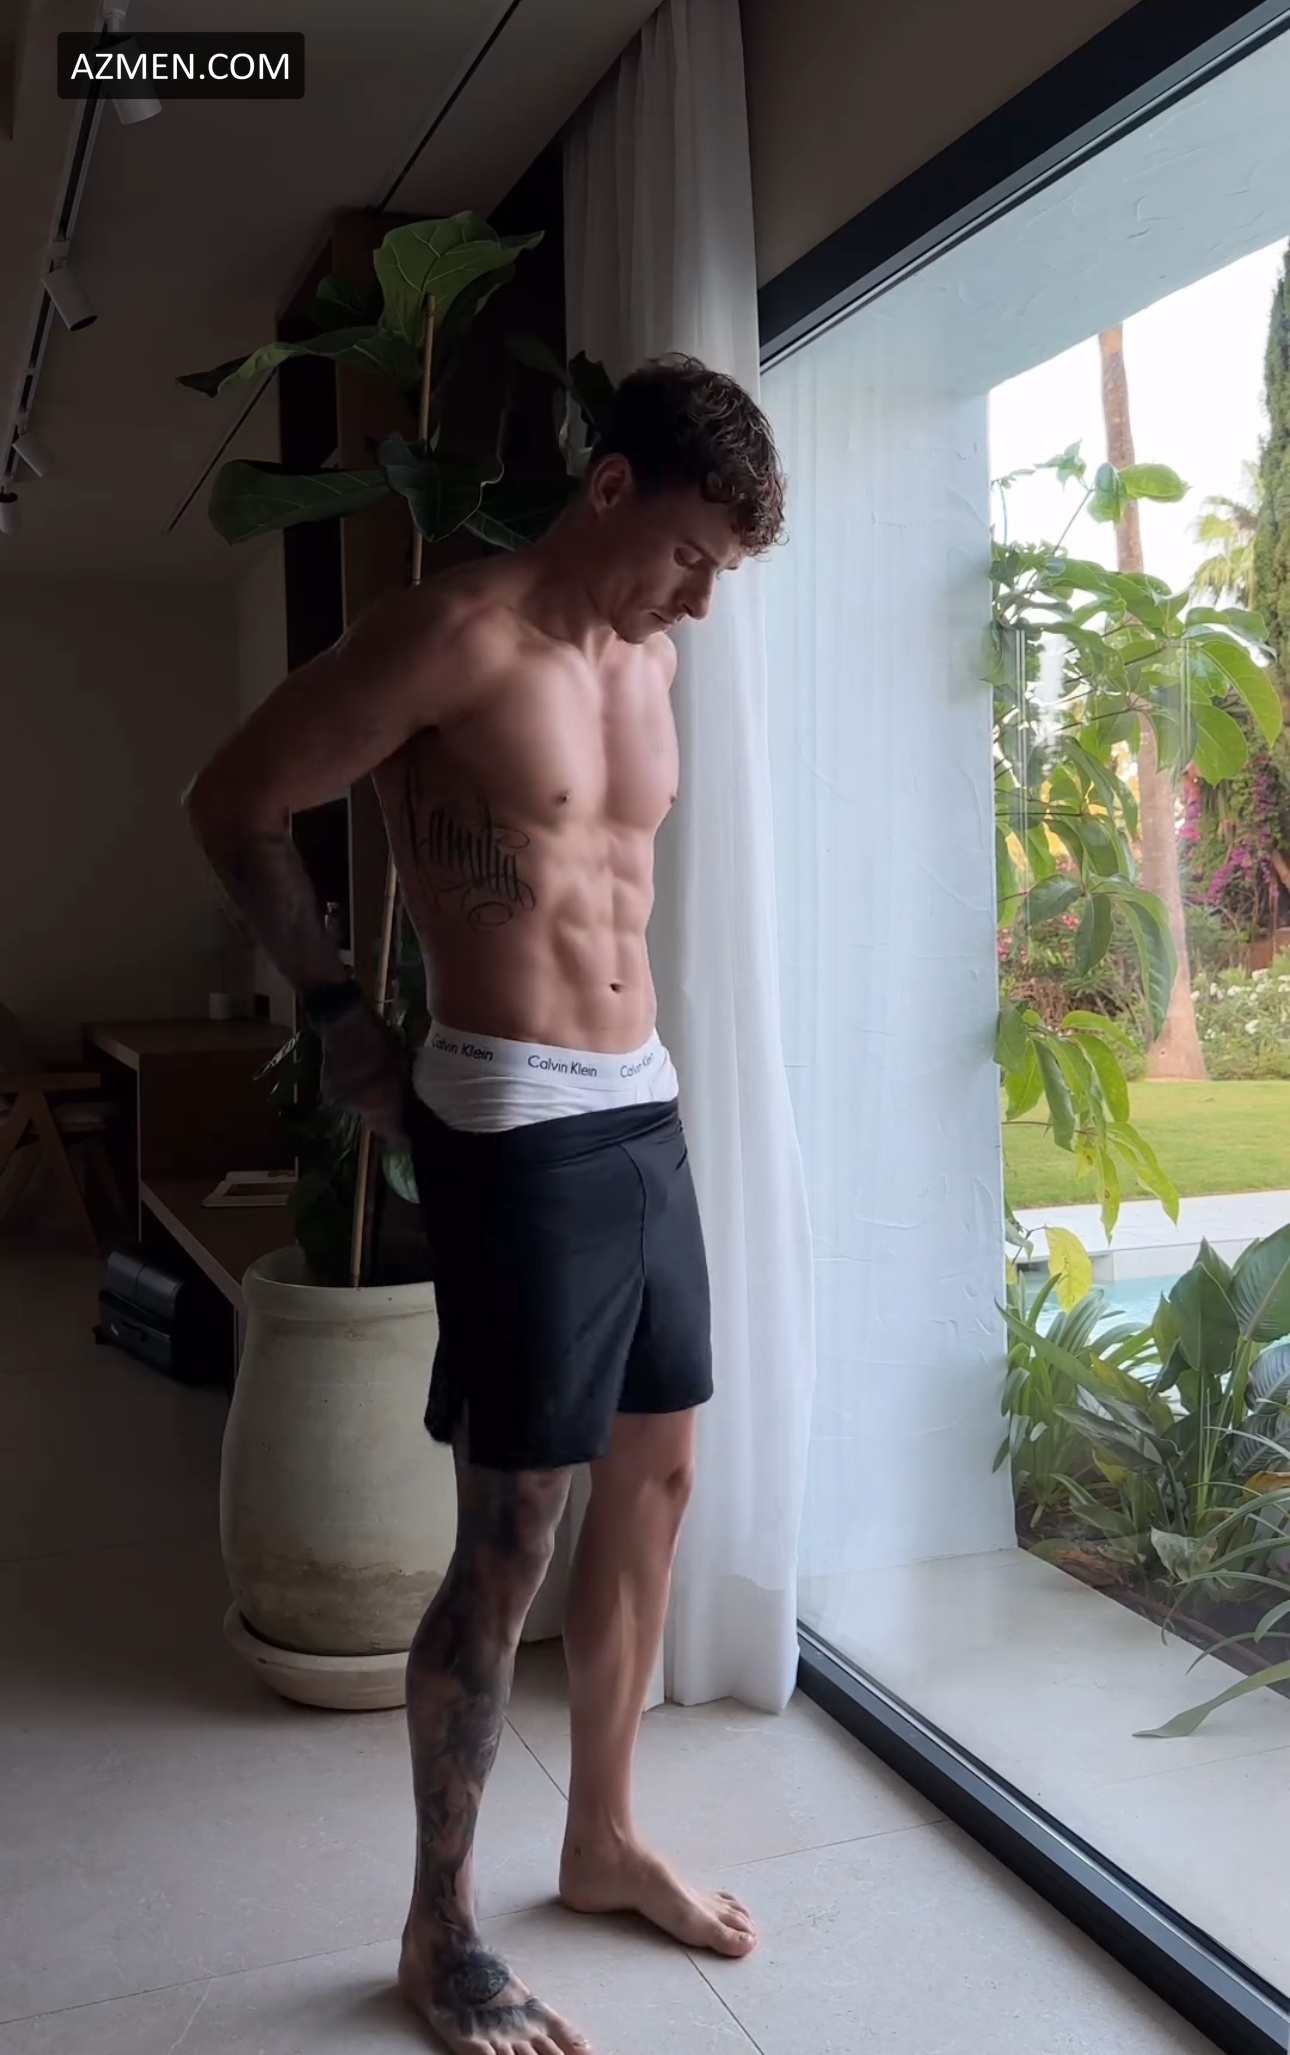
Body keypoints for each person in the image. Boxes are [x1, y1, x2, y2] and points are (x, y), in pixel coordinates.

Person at [186, 353, 787, 2055]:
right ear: (608, 488)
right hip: (512, 1118)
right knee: (515, 1529)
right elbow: (233, 800)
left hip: (642, 1102)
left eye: (722, 574)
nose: (699, 598)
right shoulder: (452, 636)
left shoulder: (652, 660)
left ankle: (601, 1839)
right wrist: (336, 1015)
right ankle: (438, 1926)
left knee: (657, 1475)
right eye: (689, 556)